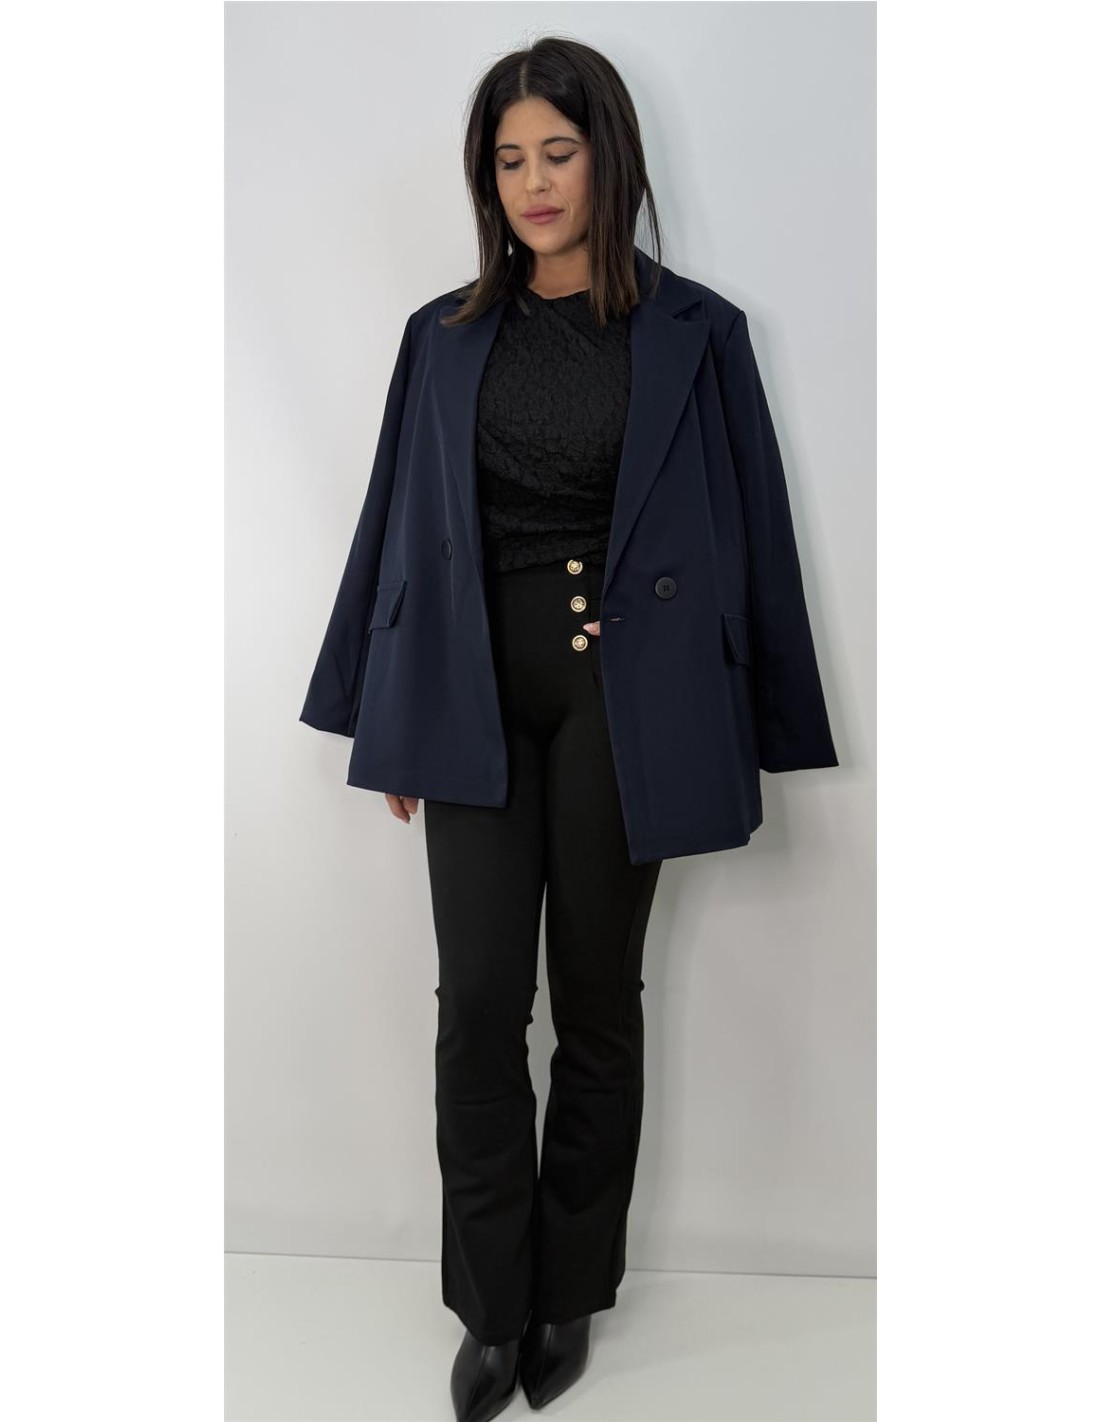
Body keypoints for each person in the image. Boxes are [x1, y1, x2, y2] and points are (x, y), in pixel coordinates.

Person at [301, 35, 838, 1422]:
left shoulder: (696, 331)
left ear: (610, 157)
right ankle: (492, 1302)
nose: (534, 182)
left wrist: (765, 723)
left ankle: (569, 1289)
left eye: (559, 150)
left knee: (598, 1001)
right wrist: (380, 712)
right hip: (469, 694)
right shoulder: (440, 335)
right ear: (486, 179)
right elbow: (392, 524)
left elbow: (756, 529)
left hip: (629, 698)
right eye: (509, 159)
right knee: (479, 1002)